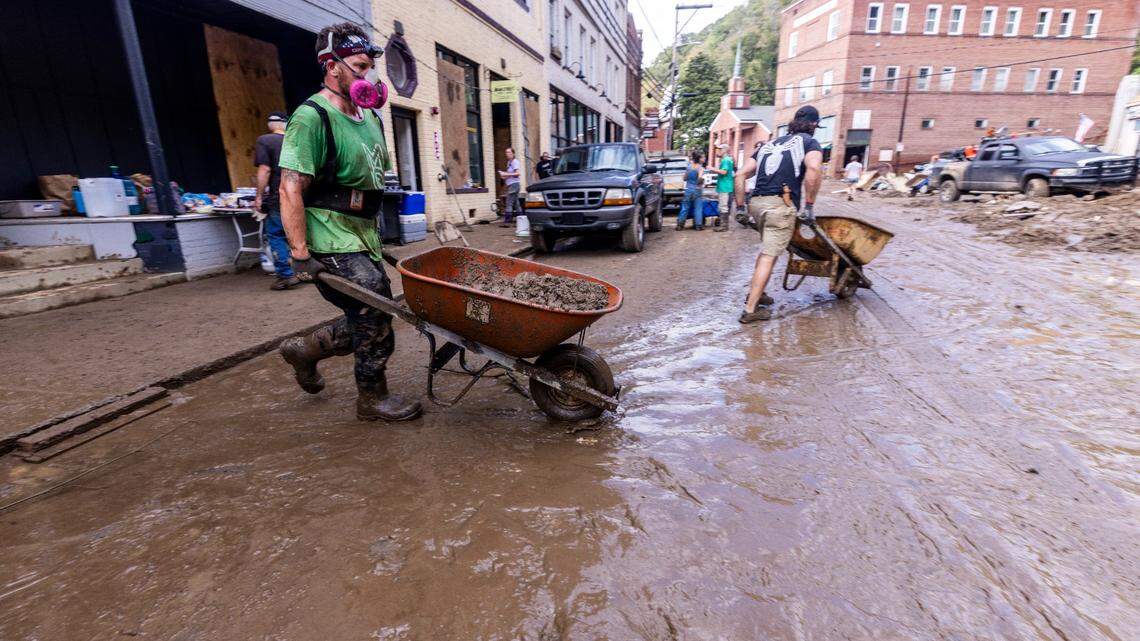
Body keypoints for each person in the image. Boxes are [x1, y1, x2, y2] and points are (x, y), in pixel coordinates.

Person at [276, 22, 421, 422]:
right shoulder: (311, 117)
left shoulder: (368, 116)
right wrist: (300, 253)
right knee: (374, 312)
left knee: (369, 310)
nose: (367, 75)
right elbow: (290, 188)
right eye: (359, 65)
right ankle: (372, 398)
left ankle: (306, 350)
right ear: (332, 65)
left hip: (362, 233)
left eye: (370, 66)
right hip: (329, 233)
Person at [734, 105, 824, 323]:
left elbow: (740, 174)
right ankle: (751, 310)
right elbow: (814, 169)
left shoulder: (768, 144)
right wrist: (810, 205)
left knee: (767, 250)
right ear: (813, 125)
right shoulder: (810, 143)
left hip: (757, 203)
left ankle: (758, 293)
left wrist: (739, 208)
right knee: (769, 255)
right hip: (779, 207)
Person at [254, 111, 309, 290]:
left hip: (281, 196)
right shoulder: (297, 142)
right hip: (302, 194)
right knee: (300, 232)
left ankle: (286, 275)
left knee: (276, 234)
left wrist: (259, 196)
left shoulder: (265, 141)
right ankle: (307, 269)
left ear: (271, 125)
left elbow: (265, 170)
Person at [675, 151, 705, 231]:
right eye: (703, 157)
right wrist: (701, 181)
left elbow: (684, 178)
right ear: (699, 159)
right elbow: (699, 179)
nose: (704, 159)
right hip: (697, 190)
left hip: (688, 189)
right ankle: (698, 225)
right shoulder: (700, 168)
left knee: (685, 207)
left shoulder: (689, 167)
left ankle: (680, 225)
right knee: (698, 208)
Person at [710, 143, 735, 232]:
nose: (718, 151)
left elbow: (724, 172)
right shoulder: (727, 160)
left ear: (724, 150)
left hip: (725, 187)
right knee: (723, 206)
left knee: (723, 206)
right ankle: (723, 225)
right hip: (725, 186)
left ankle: (724, 226)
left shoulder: (726, 160)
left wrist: (712, 169)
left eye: (720, 149)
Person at [498, 147, 521, 227]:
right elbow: (510, 174)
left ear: (513, 153)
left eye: (509, 152)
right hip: (511, 184)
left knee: (509, 202)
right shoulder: (509, 162)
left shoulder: (515, 162)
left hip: (514, 184)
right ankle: (521, 219)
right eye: (506, 152)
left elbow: (517, 174)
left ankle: (507, 221)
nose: (507, 154)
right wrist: (503, 176)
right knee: (516, 203)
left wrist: (506, 174)